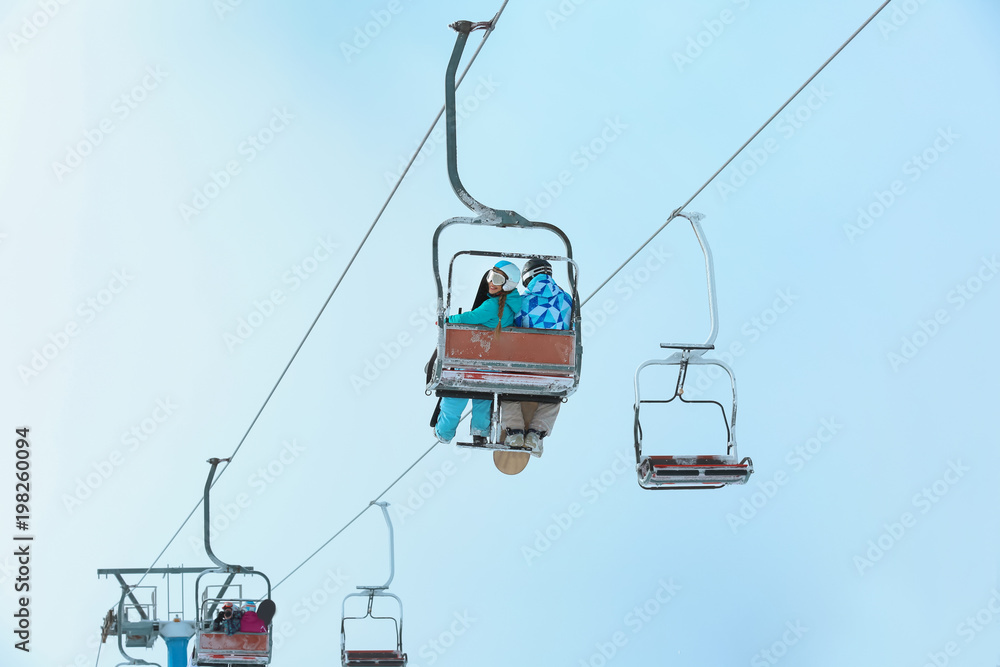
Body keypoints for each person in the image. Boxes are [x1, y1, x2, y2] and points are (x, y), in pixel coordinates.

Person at [433, 260, 522, 445]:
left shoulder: (493, 305)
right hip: (494, 366)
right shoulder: (513, 306)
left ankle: (444, 432)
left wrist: (447, 319)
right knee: (483, 398)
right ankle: (480, 433)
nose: (491, 282)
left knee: (455, 398)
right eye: (490, 276)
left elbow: (470, 318)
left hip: (475, 362)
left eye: (497, 279)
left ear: (507, 284)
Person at [500, 259, 573, 457]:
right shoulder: (568, 300)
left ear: (527, 278)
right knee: (554, 396)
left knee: (506, 388)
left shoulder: (522, 301)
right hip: (555, 365)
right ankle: (536, 434)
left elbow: (511, 328)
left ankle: (514, 430)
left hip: (524, 363)